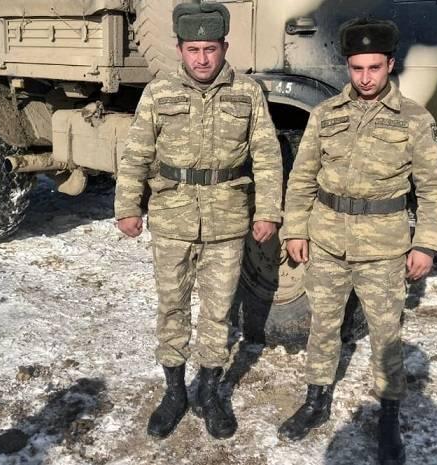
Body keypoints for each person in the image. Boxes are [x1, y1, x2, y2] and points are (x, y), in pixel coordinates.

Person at [277, 17, 437, 465]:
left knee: (385, 333)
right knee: (323, 325)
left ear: (390, 64)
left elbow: (433, 188)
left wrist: (425, 244)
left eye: (374, 67)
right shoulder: (325, 114)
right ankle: (316, 401)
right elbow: (302, 177)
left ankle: (388, 418)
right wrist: (295, 228)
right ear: (347, 67)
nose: (366, 77)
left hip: (383, 248)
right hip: (328, 239)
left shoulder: (414, 119)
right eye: (357, 68)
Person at [114, 3, 282, 440]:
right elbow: (136, 155)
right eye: (193, 49)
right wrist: (128, 206)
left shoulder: (247, 93)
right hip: (172, 218)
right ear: (179, 49)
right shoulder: (158, 93)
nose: (202, 58)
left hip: (227, 220)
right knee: (172, 307)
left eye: (210, 49)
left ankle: (209, 391)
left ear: (224, 47)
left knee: (217, 311)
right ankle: (174, 392)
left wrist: (267, 210)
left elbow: (267, 156)